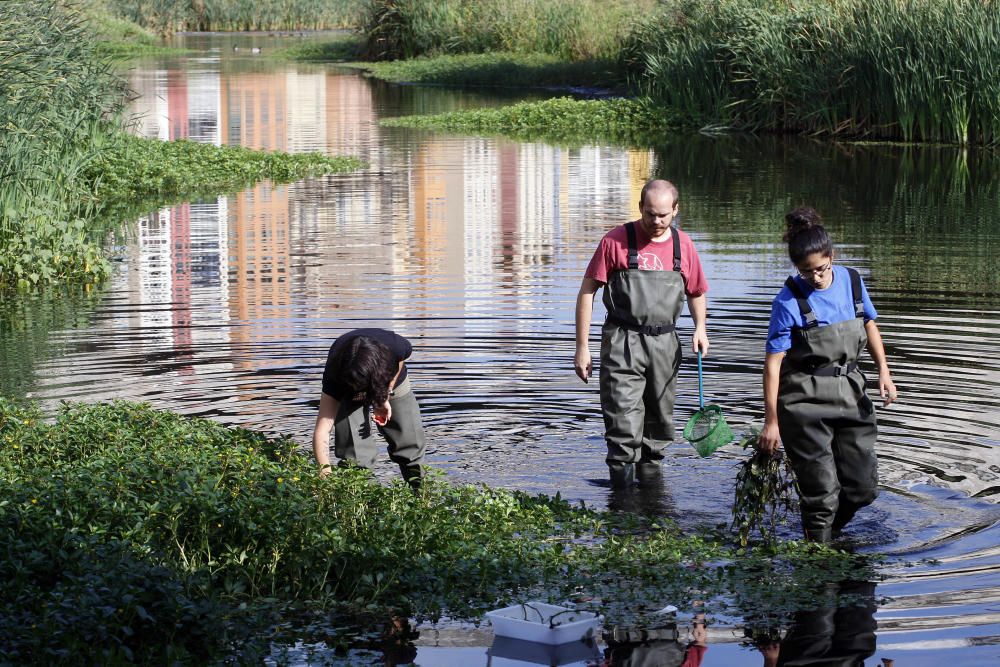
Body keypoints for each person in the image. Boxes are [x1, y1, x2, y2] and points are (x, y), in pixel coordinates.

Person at [759, 207, 897, 542]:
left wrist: (884, 371)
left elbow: (869, 324)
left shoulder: (851, 281)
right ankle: (817, 558)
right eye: (807, 273)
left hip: (851, 393)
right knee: (822, 493)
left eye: (821, 269)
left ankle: (828, 533)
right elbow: (773, 362)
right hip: (803, 403)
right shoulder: (787, 301)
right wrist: (771, 421)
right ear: (797, 268)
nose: (816, 278)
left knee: (863, 488)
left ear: (832, 256)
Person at [575, 179, 710, 487]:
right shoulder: (616, 241)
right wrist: (582, 347)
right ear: (640, 209)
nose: (656, 222)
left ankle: (653, 502)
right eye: (650, 214)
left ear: (676, 210)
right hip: (623, 341)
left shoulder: (683, 245)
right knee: (623, 424)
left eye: (663, 214)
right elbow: (587, 292)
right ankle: (621, 507)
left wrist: (700, 327)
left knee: (659, 426)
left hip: (666, 345)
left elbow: (696, 291)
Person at [312, 328, 426, 488]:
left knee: (410, 443)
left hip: (390, 383)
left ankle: (422, 496)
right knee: (355, 456)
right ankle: (364, 501)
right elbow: (322, 431)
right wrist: (325, 475)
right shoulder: (336, 374)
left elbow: (400, 360)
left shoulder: (395, 346)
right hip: (348, 389)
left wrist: (384, 394)